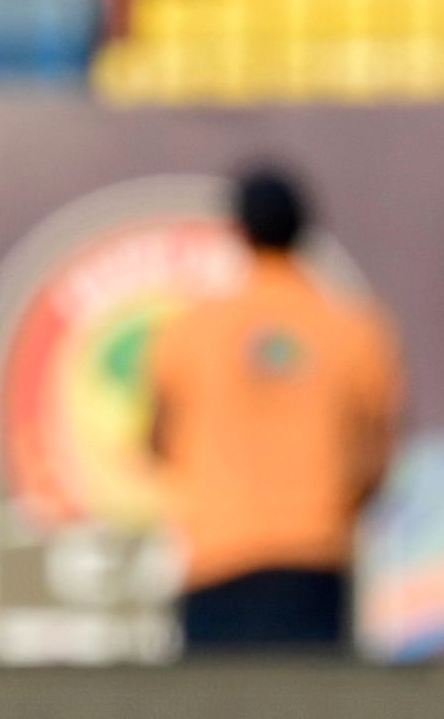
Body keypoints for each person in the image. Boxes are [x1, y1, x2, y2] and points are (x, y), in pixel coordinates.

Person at [145, 165, 403, 656]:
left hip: (216, 559)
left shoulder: (190, 330)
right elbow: (378, 453)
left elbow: (156, 439)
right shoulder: (355, 327)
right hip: (315, 562)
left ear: (237, 233)